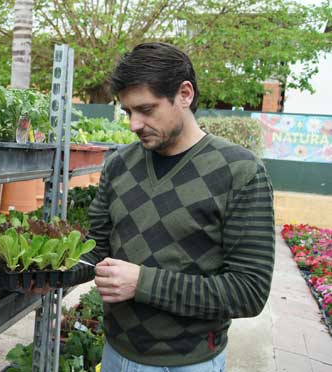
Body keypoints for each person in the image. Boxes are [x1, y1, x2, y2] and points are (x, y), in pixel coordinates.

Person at [72, 42, 276, 371]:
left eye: (146, 110)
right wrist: (50, 269)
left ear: (184, 94)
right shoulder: (119, 164)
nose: (133, 124)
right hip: (114, 352)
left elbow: (248, 291)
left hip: (188, 362)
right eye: (127, 112)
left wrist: (142, 283)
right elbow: (96, 248)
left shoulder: (240, 172)